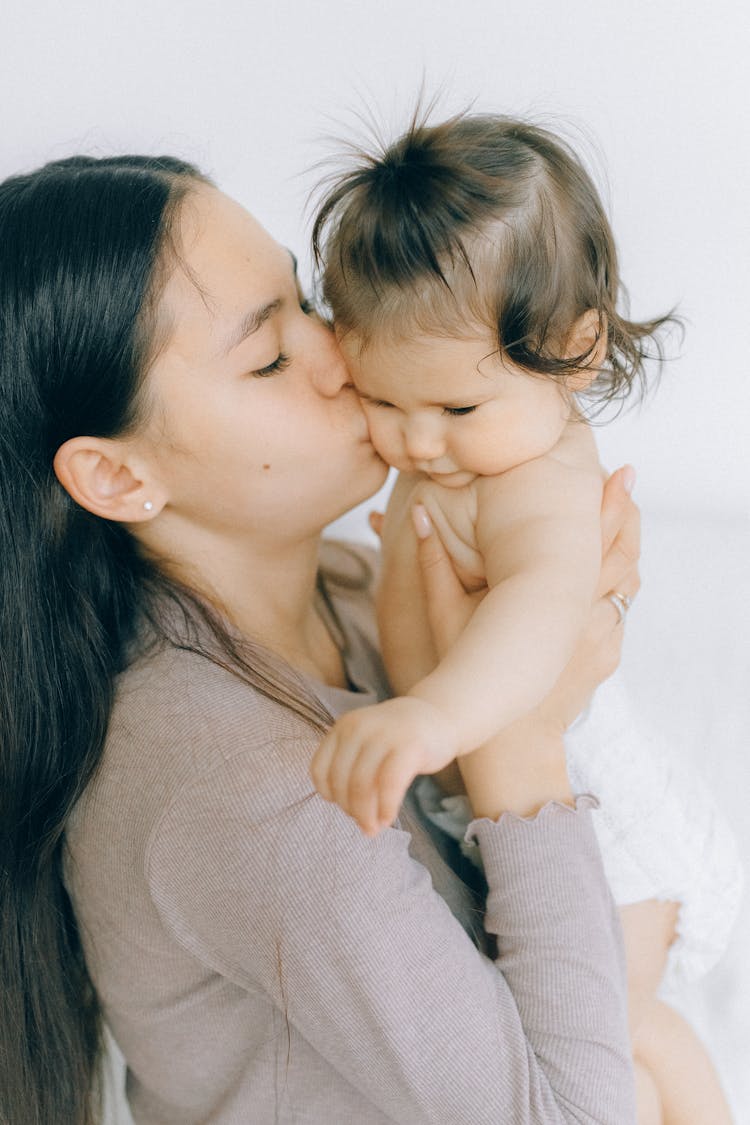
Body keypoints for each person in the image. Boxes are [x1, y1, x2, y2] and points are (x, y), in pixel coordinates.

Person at [0, 153, 642, 1125]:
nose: (347, 352)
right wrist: (522, 737)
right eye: (267, 357)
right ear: (119, 479)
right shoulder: (257, 789)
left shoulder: (347, 587)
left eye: (307, 299)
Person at [310, 111, 741, 1123]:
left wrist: (433, 720)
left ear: (578, 350)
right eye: (381, 397)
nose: (417, 440)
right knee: (571, 1047)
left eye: (456, 409)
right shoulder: (467, 441)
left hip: (613, 829)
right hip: (509, 814)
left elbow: (542, 623)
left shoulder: (540, 480)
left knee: (616, 1026)